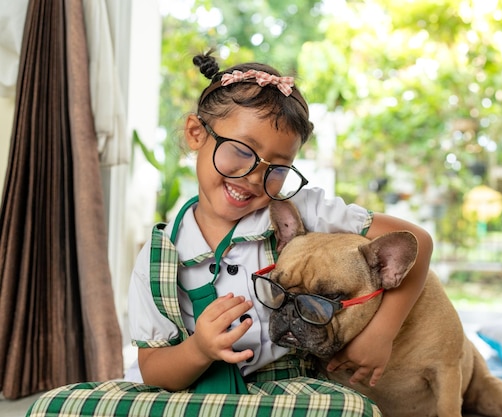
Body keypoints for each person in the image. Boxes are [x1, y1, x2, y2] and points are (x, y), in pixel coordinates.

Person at [28, 50, 433, 417]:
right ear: (196, 134)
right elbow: (154, 373)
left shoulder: (298, 211)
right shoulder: (159, 256)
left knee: (347, 409)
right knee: (54, 405)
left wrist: (380, 335)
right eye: (241, 151)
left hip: (283, 393)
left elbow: (416, 241)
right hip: (193, 396)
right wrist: (198, 350)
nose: (254, 177)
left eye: (276, 168)